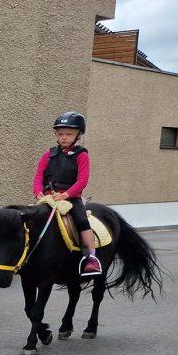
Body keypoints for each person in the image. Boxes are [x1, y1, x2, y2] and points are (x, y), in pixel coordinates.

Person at [34, 111, 101, 277]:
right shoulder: (48, 154)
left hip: (71, 199)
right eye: (60, 134)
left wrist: (66, 194)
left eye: (69, 134)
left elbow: (82, 181)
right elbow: (38, 176)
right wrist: (38, 193)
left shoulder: (82, 155)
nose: (64, 137)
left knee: (81, 220)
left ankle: (91, 257)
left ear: (78, 135)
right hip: (48, 198)